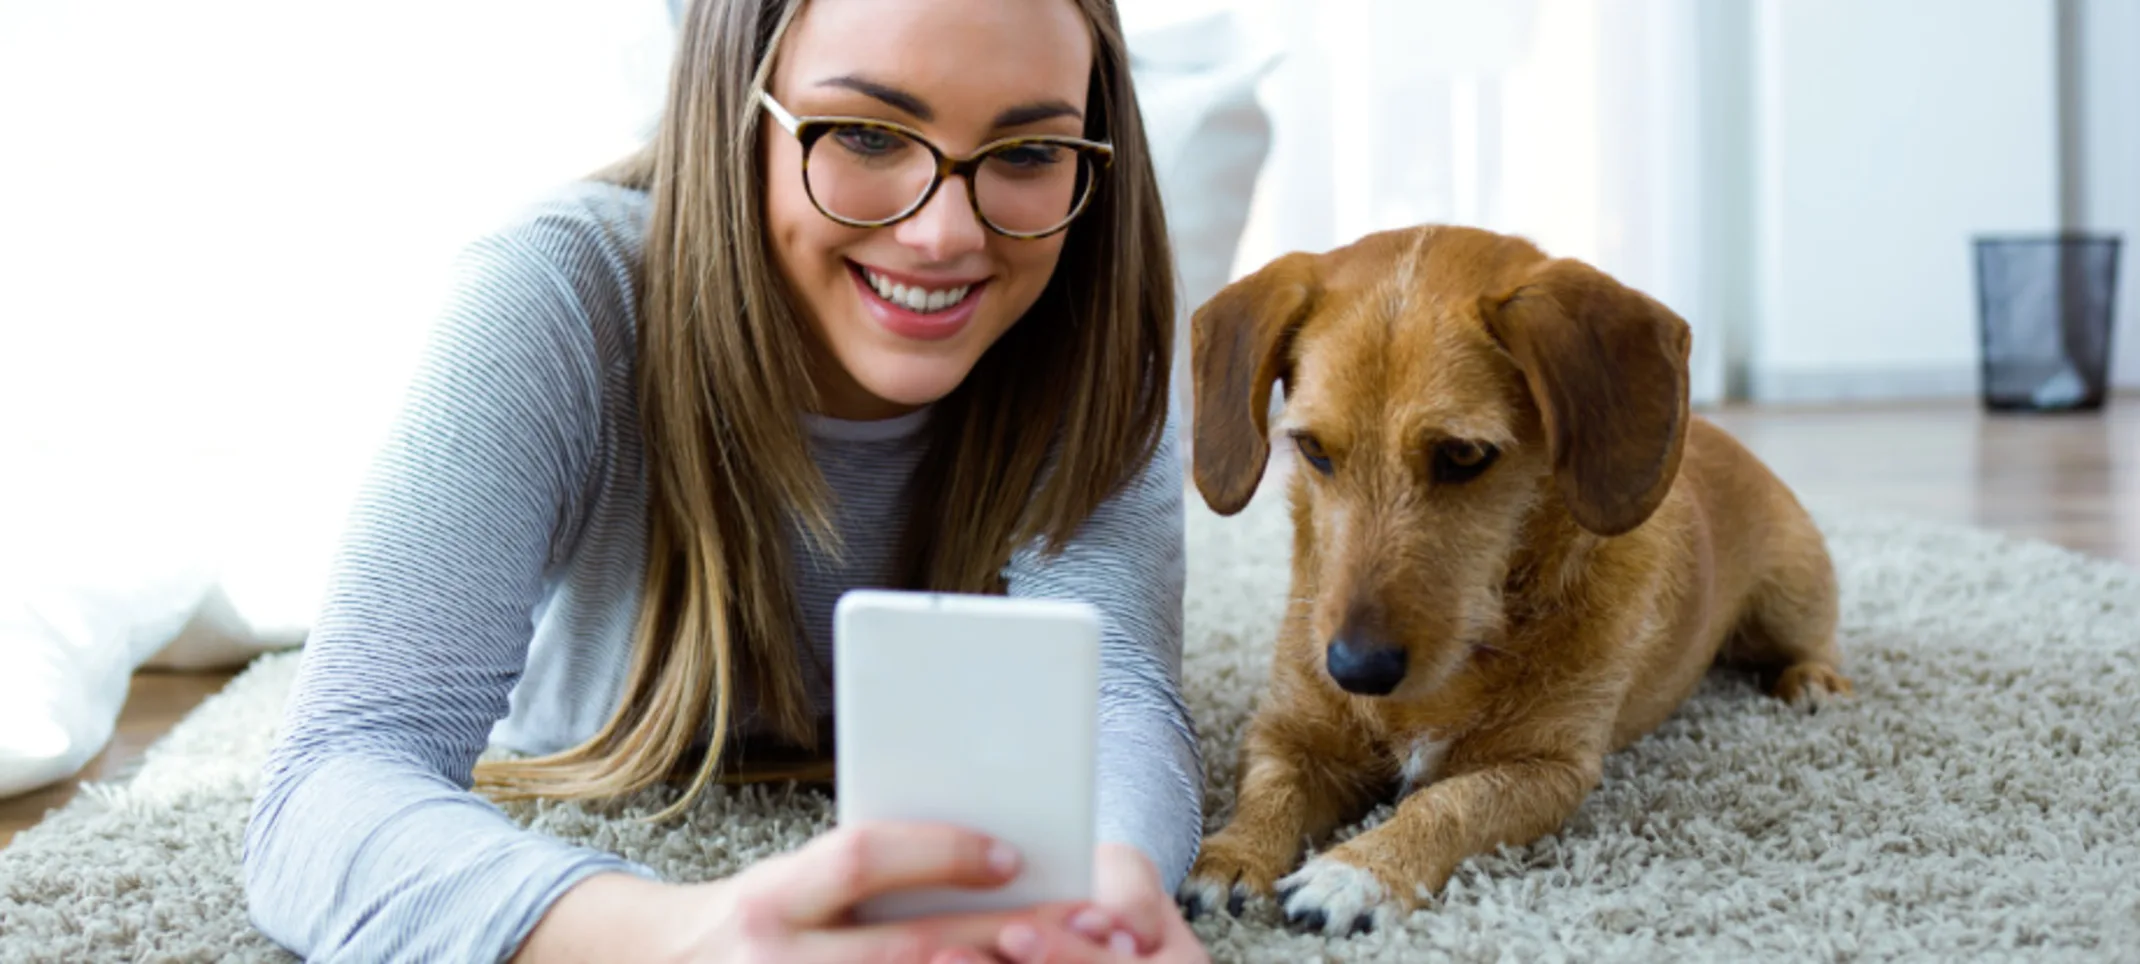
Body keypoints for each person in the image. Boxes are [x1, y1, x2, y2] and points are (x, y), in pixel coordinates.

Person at [238, 0, 1211, 961]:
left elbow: (1116, 698)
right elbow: (330, 781)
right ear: (732, 114)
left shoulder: (1093, 318)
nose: (943, 233)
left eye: (1030, 153)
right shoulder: (556, 290)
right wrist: (680, 937)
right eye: (867, 134)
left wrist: (1100, 894)